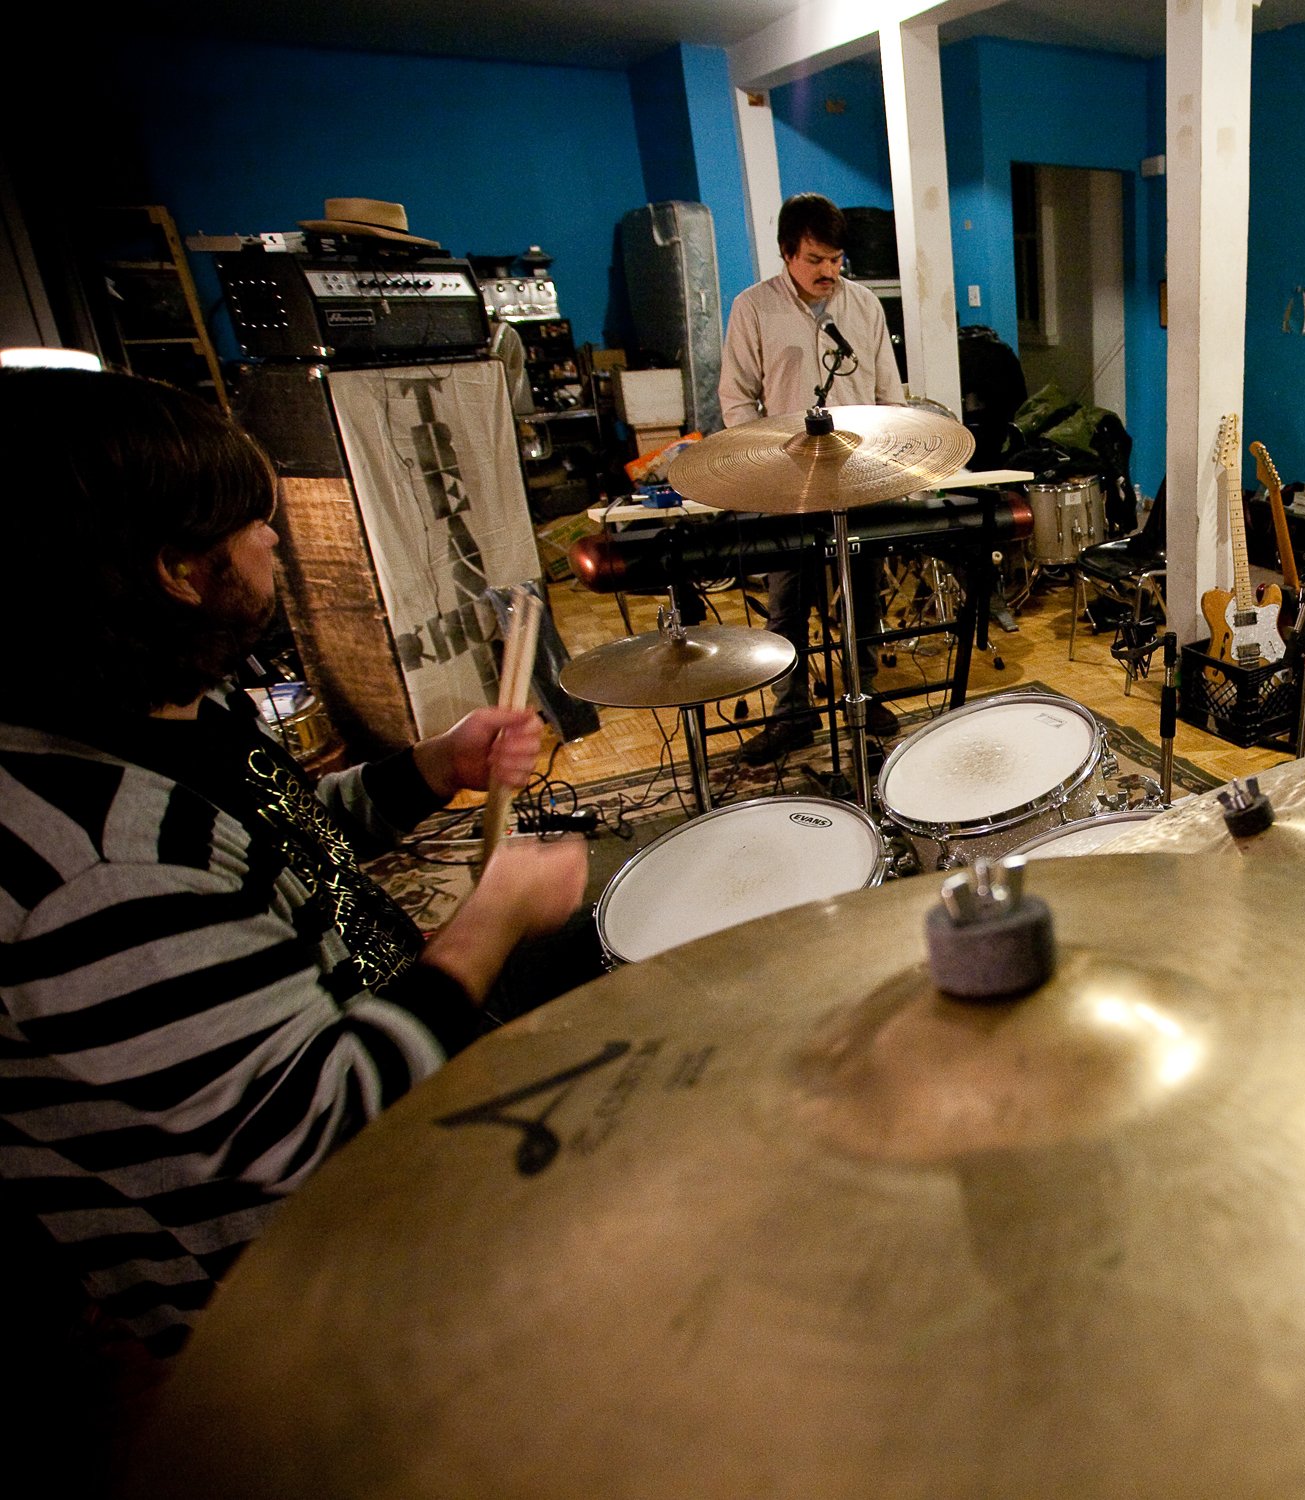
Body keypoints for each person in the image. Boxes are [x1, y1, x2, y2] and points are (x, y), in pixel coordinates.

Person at [0, 368, 590, 1359]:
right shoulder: (101, 865)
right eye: (249, 522)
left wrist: (432, 767)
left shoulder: (166, 707)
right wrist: (488, 920)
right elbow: (315, 1129)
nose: (273, 538)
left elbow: (281, 840)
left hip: (384, 1056)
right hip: (314, 1288)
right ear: (176, 571)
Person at [718, 192, 907, 762]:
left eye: (836, 259)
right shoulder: (753, 307)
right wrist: (767, 464)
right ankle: (792, 714)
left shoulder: (864, 305)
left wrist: (890, 460)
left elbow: (888, 392)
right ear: (786, 253)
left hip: (857, 476)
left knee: (864, 597)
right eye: (815, 259)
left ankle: (862, 695)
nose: (829, 270)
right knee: (788, 604)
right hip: (788, 484)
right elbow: (736, 398)